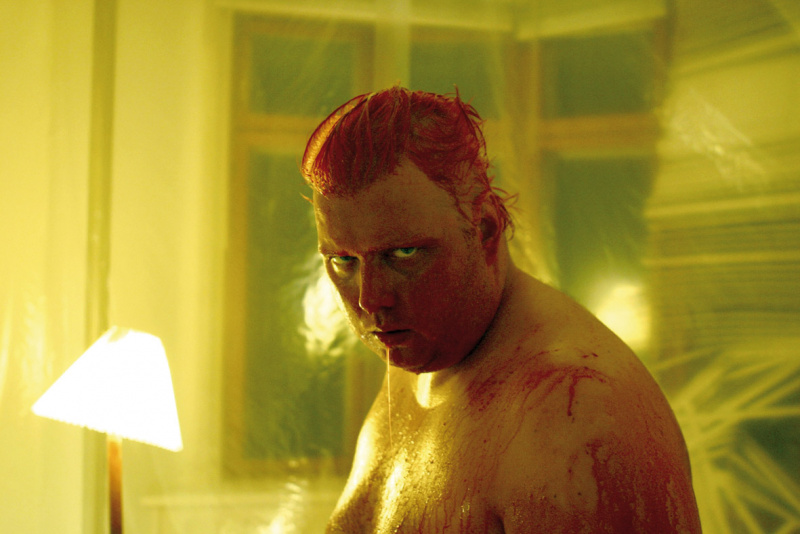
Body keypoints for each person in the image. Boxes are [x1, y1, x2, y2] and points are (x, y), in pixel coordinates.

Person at [301, 87, 702, 533]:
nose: (371, 299)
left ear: (486, 229)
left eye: (405, 253)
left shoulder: (575, 412)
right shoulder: (420, 351)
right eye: (344, 261)